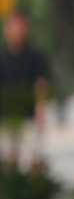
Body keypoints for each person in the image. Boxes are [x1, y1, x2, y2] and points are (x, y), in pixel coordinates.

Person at [0, 12, 51, 165]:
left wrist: (40, 110)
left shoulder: (35, 57)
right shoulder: (3, 58)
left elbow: (41, 84)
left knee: (33, 160)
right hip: (6, 118)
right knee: (8, 161)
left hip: (29, 117)